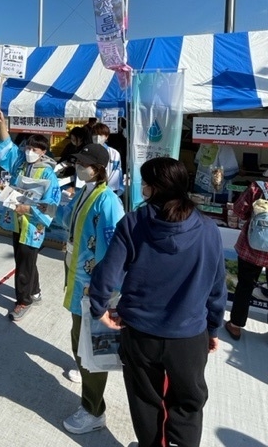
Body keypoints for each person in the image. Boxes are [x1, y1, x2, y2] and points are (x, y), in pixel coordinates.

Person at [90, 157, 227, 447]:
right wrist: (213, 329)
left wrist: (99, 307)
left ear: (152, 188)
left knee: (146, 401)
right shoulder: (208, 229)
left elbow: (107, 271)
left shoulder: (134, 223)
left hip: (141, 334)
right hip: (189, 336)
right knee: (188, 403)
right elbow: (217, 288)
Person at [61, 143, 125, 435]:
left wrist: (102, 289)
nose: (78, 166)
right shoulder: (86, 192)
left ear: (98, 168)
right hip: (79, 280)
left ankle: (93, 410)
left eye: (83, 163)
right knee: (81, 341)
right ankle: (88, 384)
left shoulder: (108, 201)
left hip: (92, 287)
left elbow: (113, 251)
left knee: (91, 348)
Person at [0, 108, 61, 321]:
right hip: (17, 221)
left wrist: (29, 209)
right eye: (28, 146)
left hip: (33, 224)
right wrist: (2, 123)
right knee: (26, 261)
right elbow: (7, 145)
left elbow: (52, 203)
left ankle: (23, 301)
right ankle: (34, 291)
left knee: (23, 265)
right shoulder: (19, 162)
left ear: (43, 152)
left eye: (35, 149)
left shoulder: (47, 173)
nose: (30, 151)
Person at [224, 180, 268, 340]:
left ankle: (235, 326)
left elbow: (239, 210)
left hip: (251, 248)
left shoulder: (258, 187)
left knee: (245, 287)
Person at [91, 122, 124, 195]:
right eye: (95, 134)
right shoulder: (87, 152)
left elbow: (117, 173)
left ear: (106, 137)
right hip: (91, 191)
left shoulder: (114, 153)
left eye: (100, 135)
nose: (97, 137)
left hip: (109, 191)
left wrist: (116, 191)